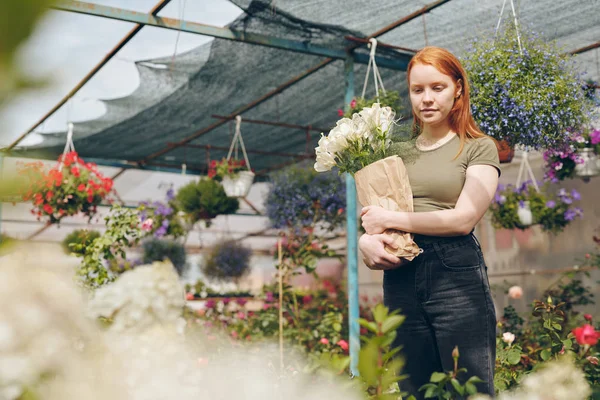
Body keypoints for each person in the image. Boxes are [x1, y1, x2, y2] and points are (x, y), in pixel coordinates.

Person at [358, 46, 500, 399]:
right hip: (402, 274)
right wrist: (366, 242)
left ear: (458, 90)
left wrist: (389, 218)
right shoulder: (396, 151)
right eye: (417, 89)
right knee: (414, 390)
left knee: (470, 388)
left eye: (437, 88)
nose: (426, 98)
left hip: (455, 272)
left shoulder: (477, 148)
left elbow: (463, 220)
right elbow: (373, 217)